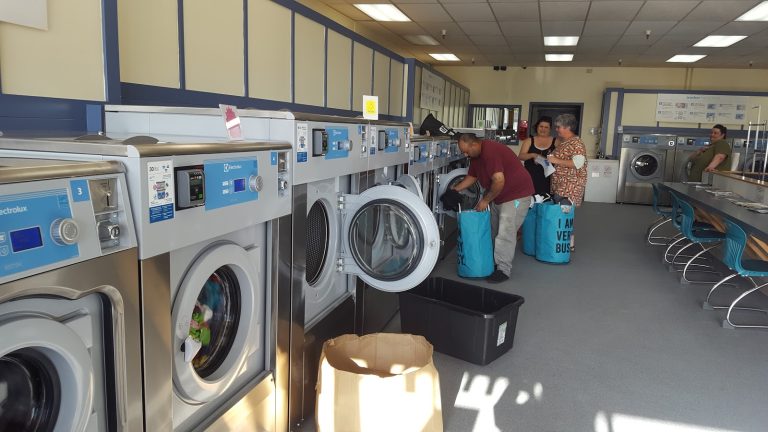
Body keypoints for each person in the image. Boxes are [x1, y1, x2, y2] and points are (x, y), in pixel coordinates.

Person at [451, 133, 534, 283]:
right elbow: (472, 177)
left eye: (466, 151)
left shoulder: (491, 152)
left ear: (474, 145)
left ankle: (503, 269)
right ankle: (493, 262)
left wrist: (485, 200)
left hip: (516, 195)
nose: (464, 154)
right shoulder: (476, 157)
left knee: (505, 232)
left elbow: (499, 180)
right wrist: (454, 190)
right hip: (499, 195)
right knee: (493, 229)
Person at [547, 113, 588, 251]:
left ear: (568, 127)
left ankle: (568, 244)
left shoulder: (576, 143)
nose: (556, 129)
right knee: (563, 214)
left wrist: (555, 160)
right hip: (561, 184)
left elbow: (578, 163)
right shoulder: (565, 142)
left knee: (564, 213)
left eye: (559, 127)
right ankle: (564, 242)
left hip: (569, 186)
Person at [518, 116, 557, 195]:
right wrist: (533, 155)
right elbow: (521, 156)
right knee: (530, 200)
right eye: (541, 126)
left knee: (546, 201)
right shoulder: (529, 140)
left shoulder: (556, 141)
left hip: (548, 178)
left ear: (550, 129)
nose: (543, 129)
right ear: (537, 127)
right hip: (530, 176)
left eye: (546, 127)